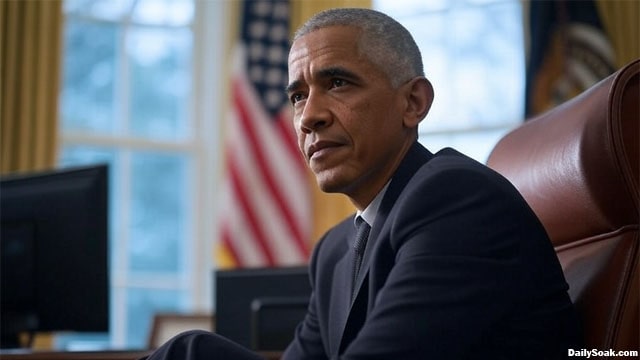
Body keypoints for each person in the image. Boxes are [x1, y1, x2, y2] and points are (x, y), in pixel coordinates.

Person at [142, 7, 581, 360]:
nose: (309, 116)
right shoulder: (333, 251)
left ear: (413, 103)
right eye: (297, 95)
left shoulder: (458, 200)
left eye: (337, 83)